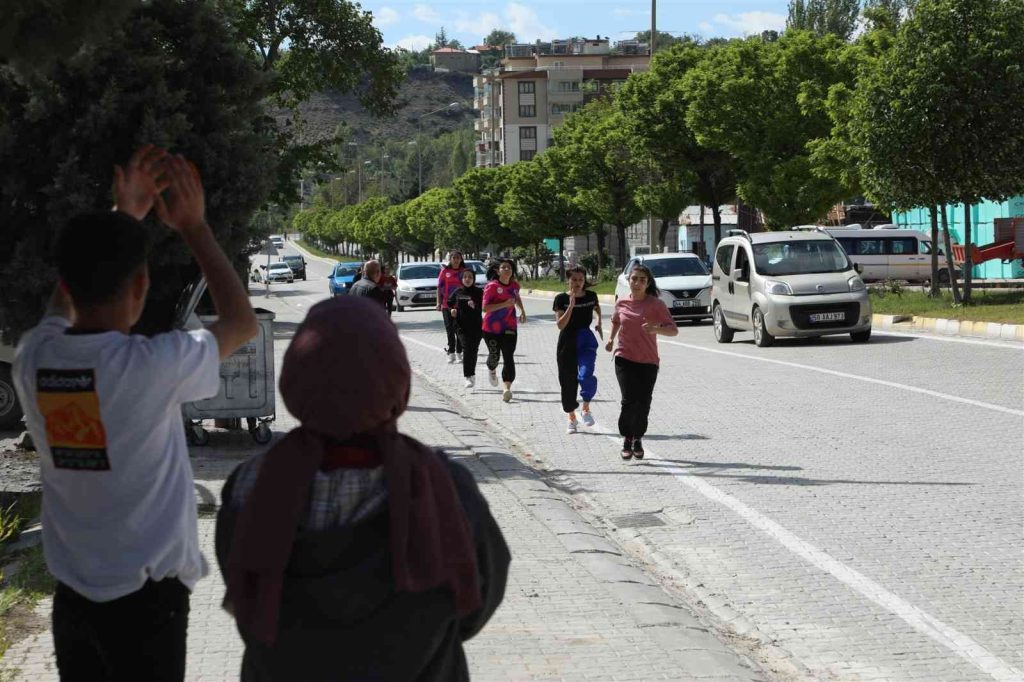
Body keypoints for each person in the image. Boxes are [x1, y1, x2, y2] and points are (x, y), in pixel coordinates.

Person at [12, 146, 258, 681]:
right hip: (148, 603)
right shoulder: (150, 366)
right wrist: (194, 227)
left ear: (67, 281)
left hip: (73, 597)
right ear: (141, 288)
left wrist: (124, 221)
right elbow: (241, 322)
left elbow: (64, 304)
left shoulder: (36, 357)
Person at [215, 296, 510, 682]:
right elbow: (477, 599)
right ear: (397, 383)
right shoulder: (443, 485)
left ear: (295, 380)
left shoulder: (251, 484)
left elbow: (243, 592)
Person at [604, 263, 678, 461]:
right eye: (634, 279)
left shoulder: (656, 305)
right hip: (624, 357)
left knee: (643, 402)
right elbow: (616, 320)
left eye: (642, 280)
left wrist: (656, 329)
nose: (637, 283)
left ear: (648, 283)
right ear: (628, 281)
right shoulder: (621, 302)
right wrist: (611, 339)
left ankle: (638, 437)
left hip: (648, 361)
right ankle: (627, 438)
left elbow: (673, 330)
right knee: (629, 400)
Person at [553, 266, 602, 434]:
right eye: (574, 279)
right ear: (568, 280)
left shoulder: (591, 296)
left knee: (586, 374)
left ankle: (586, 408)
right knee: (568, 382)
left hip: (586, 340)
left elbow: (596, 308)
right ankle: (571, 418)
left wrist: (598, 321)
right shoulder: (561, 299)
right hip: (567, 341)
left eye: (580, 280)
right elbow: (560, 325)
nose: (577, 283)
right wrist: (571, 306)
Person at [482, 259, 526, 403]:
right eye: (503, 267)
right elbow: (485, 308)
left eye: (509, 267)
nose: (507, 269)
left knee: (508, 356)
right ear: (498, 270)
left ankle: (507, 388)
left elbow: (516, 297)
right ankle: (492, 369)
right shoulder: (492, 286)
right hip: (491, 327)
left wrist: (522, 311)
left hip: (509, 326)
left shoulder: (514, 285)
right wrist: (504, 304)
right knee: (494, 355)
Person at [447, 268, 483, 389]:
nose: (467, 279)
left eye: (470, 277)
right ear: (462, 279)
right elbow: (449, 302)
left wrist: (475, 306)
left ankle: (472, 374)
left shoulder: (479, 292)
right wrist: (452, 310)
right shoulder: (458, 291)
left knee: (473, 351)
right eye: (465, 277)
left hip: (477, 326)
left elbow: (485, 307)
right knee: (467, 349)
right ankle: (468, 376)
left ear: (474, 279)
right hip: (461, 326)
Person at [436, 251, 467, 364]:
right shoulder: (445, 271)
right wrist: (438, 302)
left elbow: (469, 286)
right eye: (453, 258)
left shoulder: (464, 271)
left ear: (461, 259)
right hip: (446, 304)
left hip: (461, 305)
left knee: (459, 329)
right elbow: (439, 288)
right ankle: (451, 352)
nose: (456, 260)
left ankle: (459, 353)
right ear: (450, 259)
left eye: (458, 258)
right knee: (450, 329)